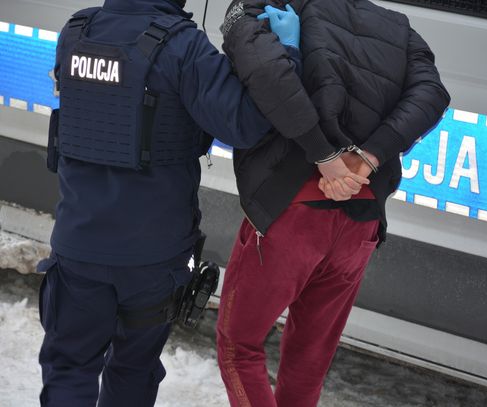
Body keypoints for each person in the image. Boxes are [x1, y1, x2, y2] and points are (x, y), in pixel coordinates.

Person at [37, 0, 364, 405]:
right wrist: (286, 52)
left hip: (78, 245)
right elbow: (244, 125)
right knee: (133, 369)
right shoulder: (182, 45)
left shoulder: (76, 32)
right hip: (153, 257)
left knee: (68, 368)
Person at [216, 1, 451, 406]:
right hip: (361, 221)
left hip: (290, 209)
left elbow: (268, 73)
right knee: (309, 360)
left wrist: (325, 156)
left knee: (238, 348)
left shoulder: (268, 5)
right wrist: (369, 157)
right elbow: (432, 94)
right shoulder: (398, 27)